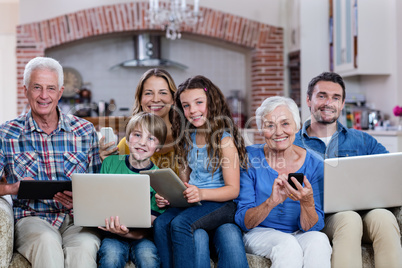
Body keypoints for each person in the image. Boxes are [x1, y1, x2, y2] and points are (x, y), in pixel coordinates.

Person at [0, 56, 102, 267]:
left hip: (77, 220)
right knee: (47, 242)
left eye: (51, 88)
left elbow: (98, 185)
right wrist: (13, 188)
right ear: (25, 89)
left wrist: (83, 199)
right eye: (37, 87)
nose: (44, 96)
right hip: (32, 219)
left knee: (84, 249)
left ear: (60, 92)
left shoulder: (84, 131)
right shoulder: (6, 134)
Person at [294, 71, 402, 268]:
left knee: (384, 217)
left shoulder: (362, 140)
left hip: (364, 211)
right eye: (322, 96)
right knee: (349, 219)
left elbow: (392, 171)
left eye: (336, 98)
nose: (329, 102)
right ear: (309, 100)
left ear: (342, 104)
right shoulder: (293, 142)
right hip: (318, 218)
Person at [153, 75, 249, 268]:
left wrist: (202, 193)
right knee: (161, 223)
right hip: (196, 202)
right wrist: (170, 196)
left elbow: (233, 190)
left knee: (181, 224)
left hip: (221, 203)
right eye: (186, 105)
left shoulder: (224, 140)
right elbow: (184, 181)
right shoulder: (188, 137)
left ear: (211, 103)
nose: (193, 110)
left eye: (199, 102)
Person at [235, 96, 332, 267]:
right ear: (261, 131)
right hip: (259, 232)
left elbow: (313, 227)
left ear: (297, 126)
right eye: (270, 125)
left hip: (299, 232)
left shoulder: (315, 164)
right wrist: (270, 202)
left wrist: (306, 202)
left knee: (319, 240)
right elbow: (244, 221)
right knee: (287, 245)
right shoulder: (249, 158)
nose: (278, 132)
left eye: (285, 123)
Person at [97, 112, 167, 268]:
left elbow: (151, 225)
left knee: (149, 258)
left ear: (157, 148)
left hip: (141, 237)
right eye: (137, 135)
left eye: (151, 138)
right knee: (110, 257)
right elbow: (100, 203)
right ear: (127, 139)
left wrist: (127, 233)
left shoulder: (159, 178)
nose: (142, 142)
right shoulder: (109, 163)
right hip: (111, 234)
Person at [99, 68, 178, 174]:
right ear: (140, 99)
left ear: (173, 99)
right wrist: (106, 161)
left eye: (163, 93)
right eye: (148, 93)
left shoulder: (187, 142)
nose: (155, 99)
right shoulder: (125, 145)